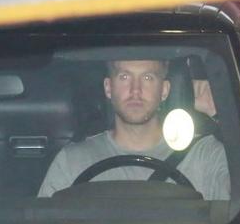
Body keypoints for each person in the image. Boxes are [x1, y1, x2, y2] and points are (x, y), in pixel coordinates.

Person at [38, 59, 230, 200]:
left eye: (147, 77)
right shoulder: (72, 161)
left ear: (164, 90)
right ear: (108, 88)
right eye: (124, 77)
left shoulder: (205, 155)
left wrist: (220, 114)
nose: (135, 90)